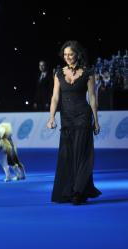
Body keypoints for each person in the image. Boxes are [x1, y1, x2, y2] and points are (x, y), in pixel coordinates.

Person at [47, 41, 101, 205]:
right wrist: (51, 117)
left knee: (82, 153)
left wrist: (96, 121)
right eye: (65, 55)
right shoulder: (58, 72)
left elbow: (92, 97)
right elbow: (55, 97)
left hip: (83, 116)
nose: (67, 57)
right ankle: (68, 189)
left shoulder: (88, 72)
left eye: (70, 54)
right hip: (67, 117)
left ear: (77, 54)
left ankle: (79, 191)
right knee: (68, 154)